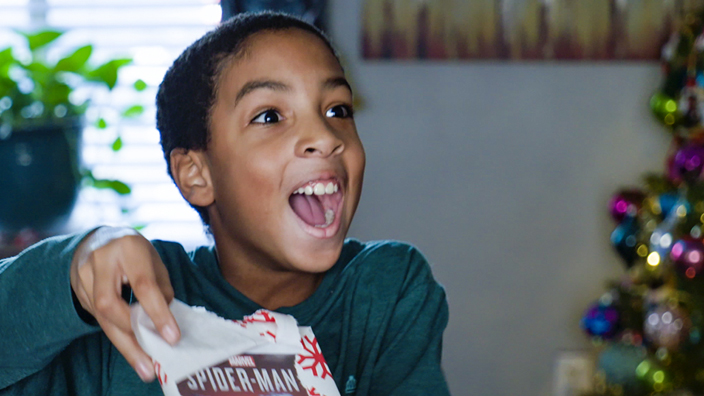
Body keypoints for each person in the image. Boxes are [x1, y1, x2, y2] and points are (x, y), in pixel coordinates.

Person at [0, 11, 450, 396]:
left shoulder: (385, 288)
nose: (324, 137)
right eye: (270, 116)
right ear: (197, 175)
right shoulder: (131, 298)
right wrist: (76, 267)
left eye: (338, 110)